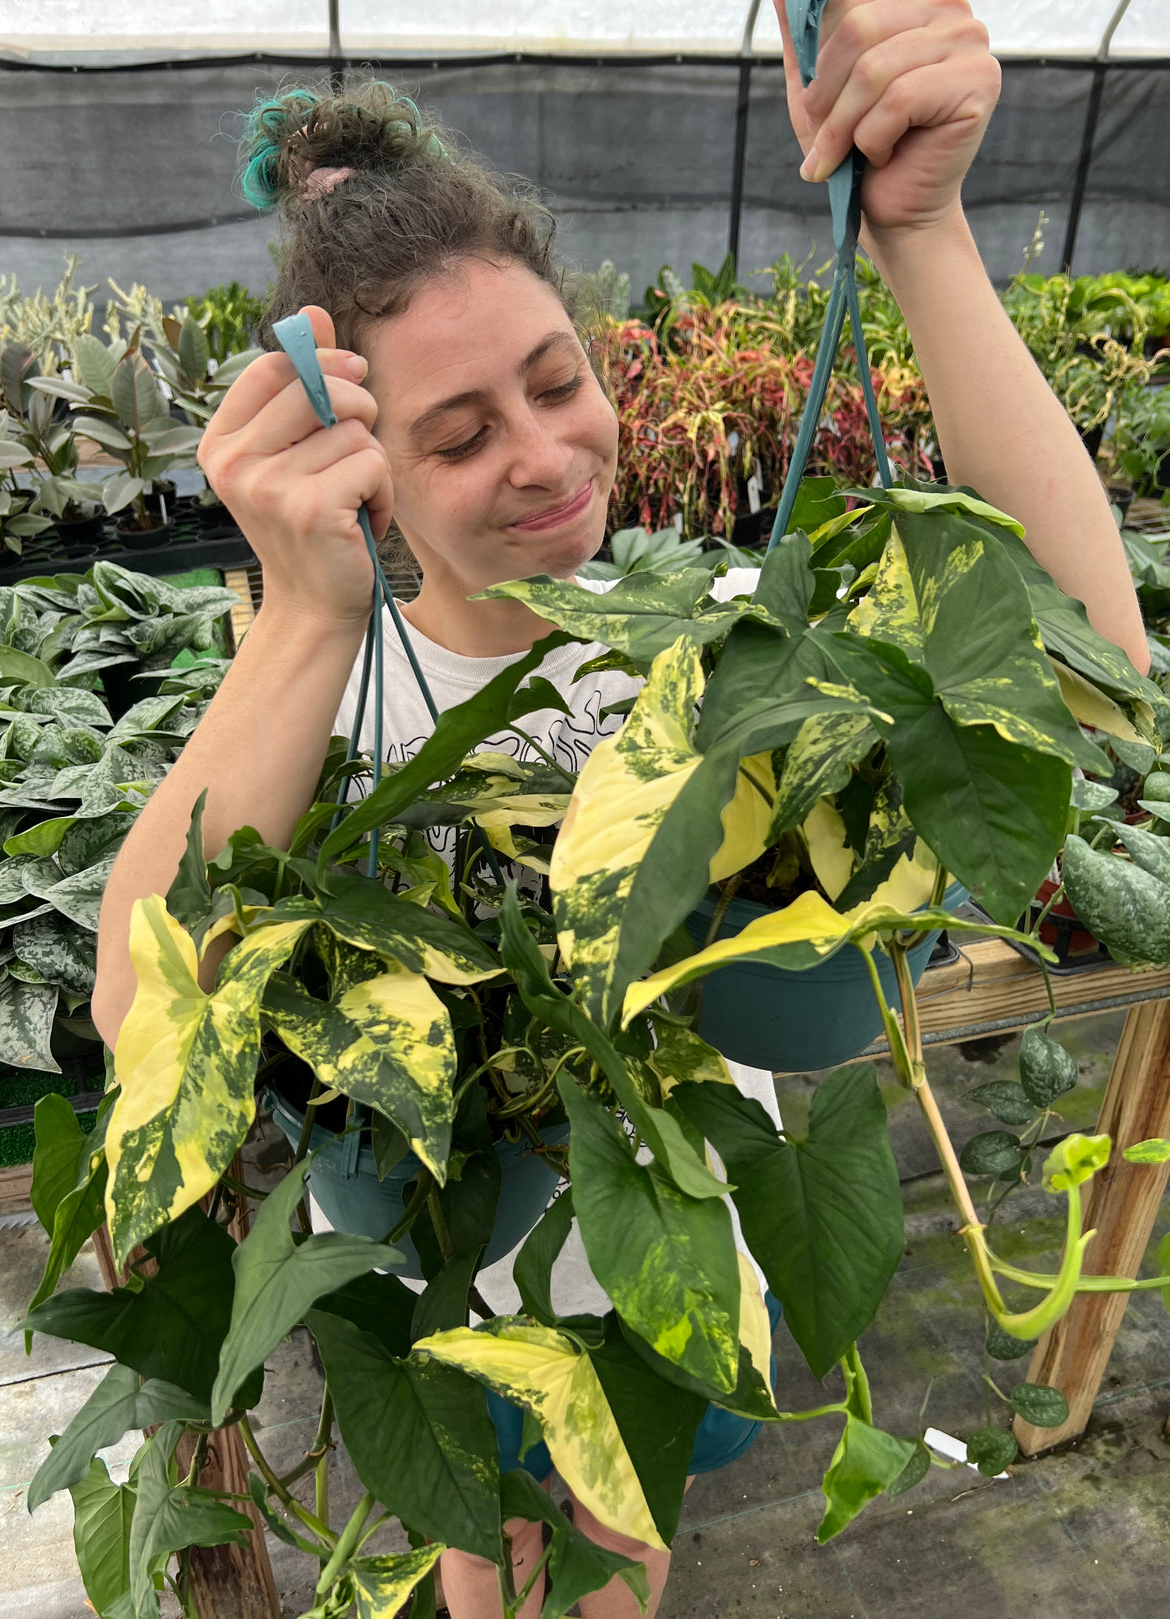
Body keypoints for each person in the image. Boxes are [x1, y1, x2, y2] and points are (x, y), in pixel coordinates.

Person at [92, 2, 1149, 1613]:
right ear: (366, 464)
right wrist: (305, 614)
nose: (541, 456)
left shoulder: (724, 632)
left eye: (555, 381)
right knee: (480, 1531)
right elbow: (135, 1011)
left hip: (676, 1256)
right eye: (455, 435)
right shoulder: (338, 693)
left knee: (622, 1535)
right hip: (452, 1282)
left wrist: (922, 235)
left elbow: (1087, 661)